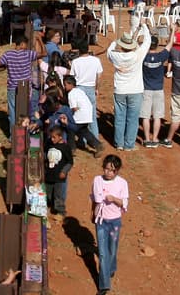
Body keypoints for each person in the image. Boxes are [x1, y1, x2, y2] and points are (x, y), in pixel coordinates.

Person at [108, 20, 152, 151]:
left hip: (120, 90)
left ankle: (119, 143)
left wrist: (117, 41)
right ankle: (129, 144)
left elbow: (110, 49)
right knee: (132, 119)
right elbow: (147, 41)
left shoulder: (115, 56)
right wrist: (144, 25)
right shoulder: (137, 55)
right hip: (135, 90)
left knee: (120, 118)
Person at [92, 154, 129, 295]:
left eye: (111, 170)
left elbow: (124, 203)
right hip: (101, 220)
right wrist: (93, 213)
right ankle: (104, 285)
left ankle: (111, 268)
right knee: (102, 253)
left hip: (114, 221)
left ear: (117, 171)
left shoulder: (122, 183)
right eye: (106, 169)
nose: (107, 172)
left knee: (112, 249)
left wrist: (113, 199)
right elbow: (95, 200)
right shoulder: (97, 180)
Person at [0, 34, 42, 124]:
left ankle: (13, 133)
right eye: (25, 44)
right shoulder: (28, 54)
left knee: (12, 110)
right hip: (26, 87)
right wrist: (40, 40)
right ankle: (25, 130)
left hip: (12, 86)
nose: (26, 47)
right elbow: (44, 53)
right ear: (21, 44)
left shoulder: (8, 54)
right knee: (25, 109)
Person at [139, 36, 171, 149]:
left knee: (145, 116)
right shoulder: (160, 56)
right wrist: (172, 31)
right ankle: (155, 138)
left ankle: (147, 139)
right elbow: (170, 44)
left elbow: (134, 47)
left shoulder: (143, 56)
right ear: (157, 45)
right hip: (158, 90)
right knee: (157, 116)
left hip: (146, 89)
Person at [69, 41, 104, 145]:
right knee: (92, 115)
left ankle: (83, 140)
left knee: (80, 116)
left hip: (79, 89)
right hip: (90, 88)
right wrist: (97, 88)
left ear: (79, 50)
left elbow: (72, 76)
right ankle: (95, 139)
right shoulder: (96, 60)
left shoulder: (75, 62)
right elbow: (99, 76)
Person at [63, 75, 103, 154]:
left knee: (70, 129)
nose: (65, 87)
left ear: (70, 84)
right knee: (84, 131)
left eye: (65, 85)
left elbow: (73, 108)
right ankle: (98, 145)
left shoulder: (71, 94)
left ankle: (71, 149)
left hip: (80, 116)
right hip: (87, 115)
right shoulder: (79, 91)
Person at [44, 125, 74, 217]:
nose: (52, 139)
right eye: (51, 137)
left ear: (60, 137)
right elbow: (46, 155)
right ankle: (48, 207)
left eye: (54, 137)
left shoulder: (65, 147)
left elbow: (70, 162)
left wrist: (64, 171)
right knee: (48, 193)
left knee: (58, 195)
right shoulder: (49, 144)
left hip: (59, 177)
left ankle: (60, 212)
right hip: (49, 175)